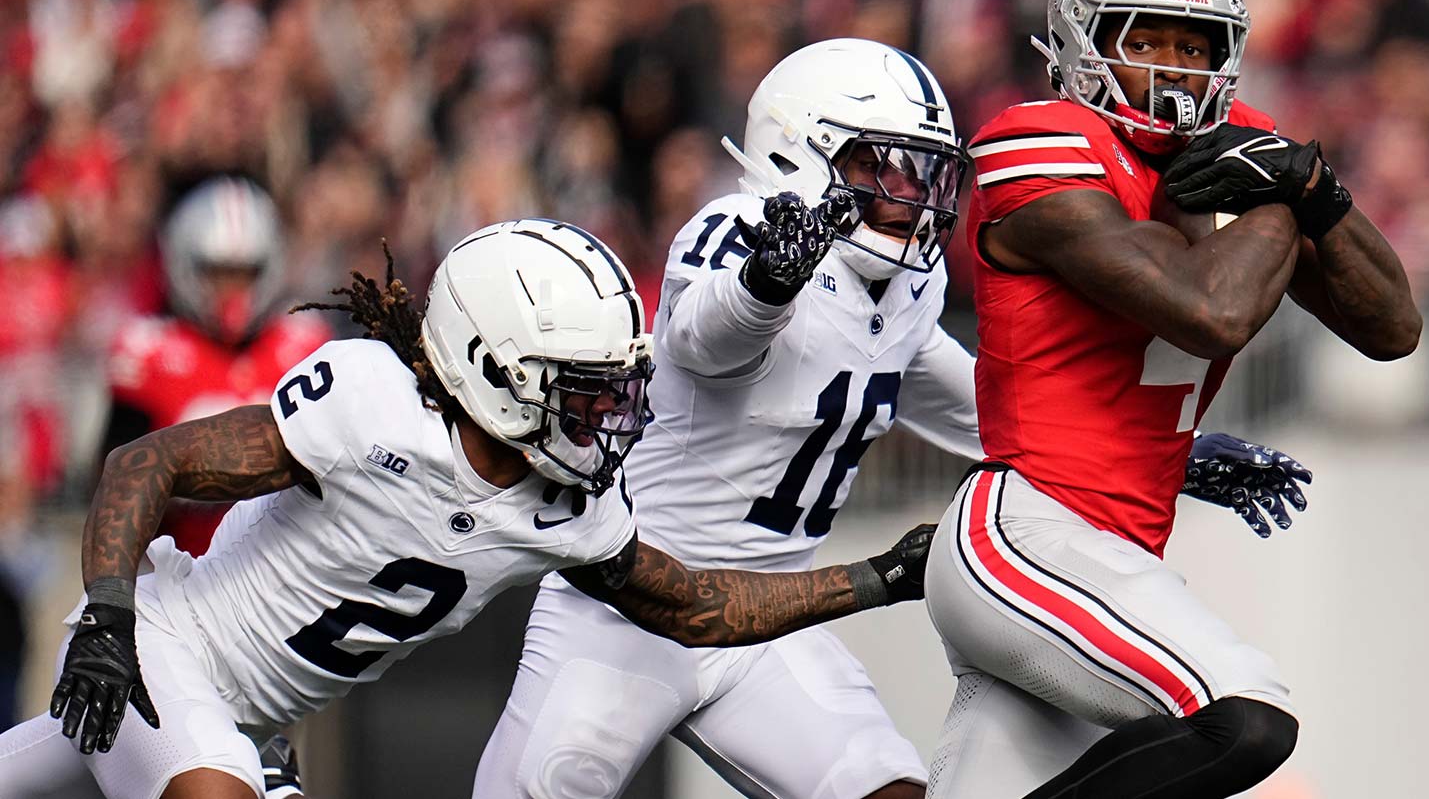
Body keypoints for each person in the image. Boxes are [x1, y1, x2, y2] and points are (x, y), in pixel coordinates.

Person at [472, 38, 1309, 799]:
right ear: (800, 152)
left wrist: (1172, 453)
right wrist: (768, 283)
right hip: (628, 606)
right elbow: (698, 339)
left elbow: (988, 409)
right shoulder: (739, 230)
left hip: (774, 620)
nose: (912, 197)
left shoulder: (906, 286)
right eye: (885, 168)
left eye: (925, 174)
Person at [0, 219, 935, 799]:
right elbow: (148, 460)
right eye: (584, 392)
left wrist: (881, 578)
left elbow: (696, 607)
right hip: (163, 643)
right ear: (498, 372)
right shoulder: (369, 405)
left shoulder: (569, 506)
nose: (607, 420)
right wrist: (110, 618)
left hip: (244, 716)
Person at [921, 0, 1422, 799]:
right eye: (1145, 40)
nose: (1174, 69)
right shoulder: (1039, 141)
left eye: (1195, 46)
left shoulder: (1244, 154)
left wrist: (1318, 190)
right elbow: (1209, 312)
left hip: (1116, 556)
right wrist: (1279, 198)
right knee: (1244, 713)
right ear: (1082, 36)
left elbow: (1392, 328)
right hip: (1026, 532)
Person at [103, 177, 330, 555]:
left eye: (244, 273)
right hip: (180, 568)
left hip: (286, 566)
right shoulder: (148, 351)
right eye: (219, 273)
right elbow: (114, 487)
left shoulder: (304, 343)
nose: (232, 290)